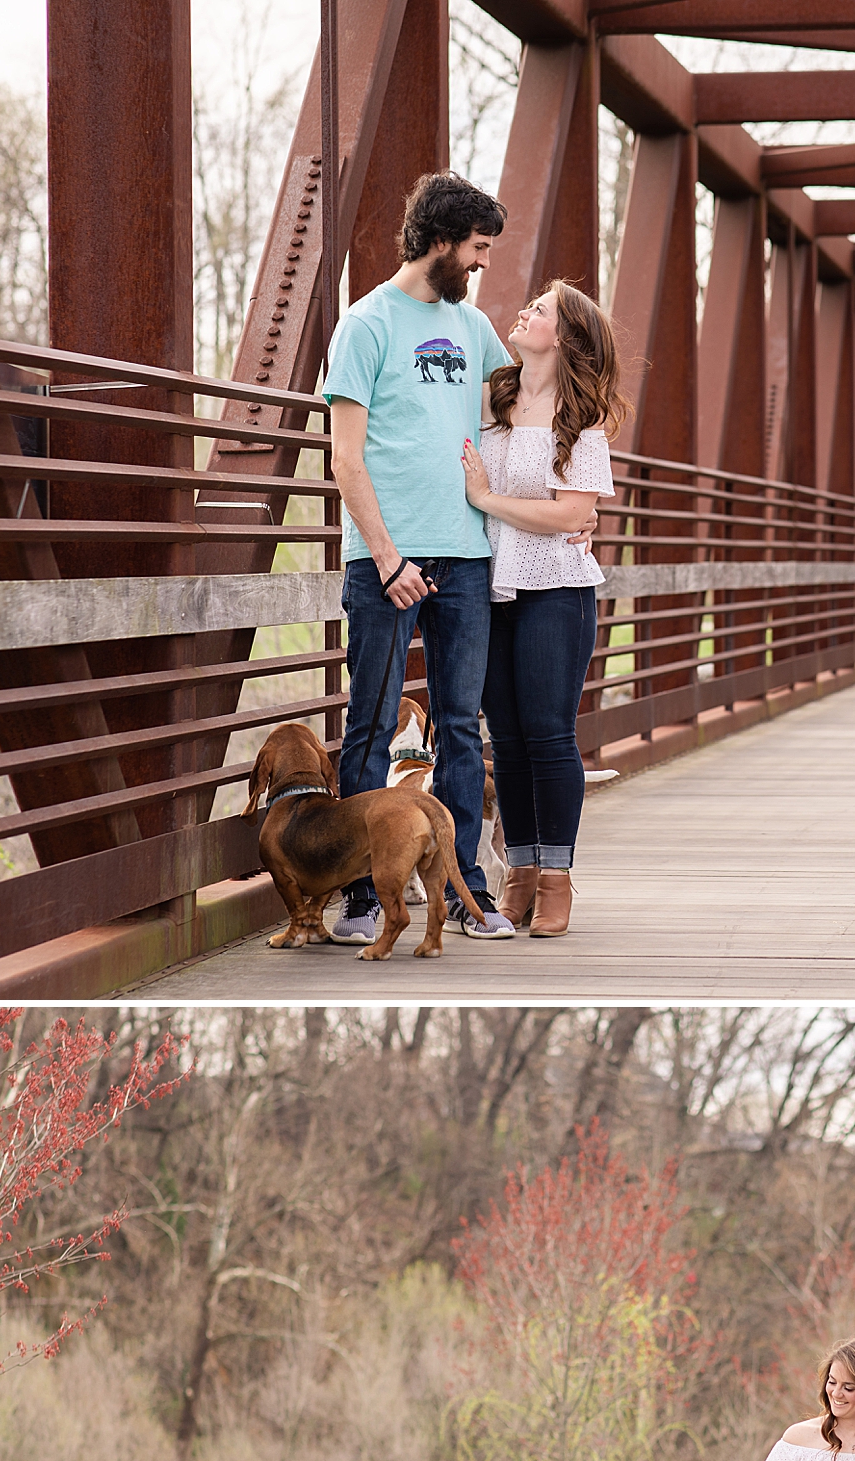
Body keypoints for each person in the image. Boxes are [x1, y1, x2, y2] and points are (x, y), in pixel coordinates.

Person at [325, 173, 570, 945]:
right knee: (369, 727)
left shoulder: (472, 331)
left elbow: (533, 405)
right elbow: (345, 459)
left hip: (467, 558)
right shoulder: (365, 326)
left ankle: (462, 895)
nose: (481, 267)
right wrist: (391, 560)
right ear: (439, 242)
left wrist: (571, 502)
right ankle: (362, 892)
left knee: (463, 728)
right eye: (476, 250)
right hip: (386, 564)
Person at [459, 281, 628, 940]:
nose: (523, 310)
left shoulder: (579, 418)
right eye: (526, 302)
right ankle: (519, 876)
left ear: (563, 335)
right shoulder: (490, 396)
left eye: (540, 309)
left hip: (556, 586)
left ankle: (557, 879)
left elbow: (572, 514)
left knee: (549, 732)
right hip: (491, 586)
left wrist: (487, 500)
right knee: (507, 735)